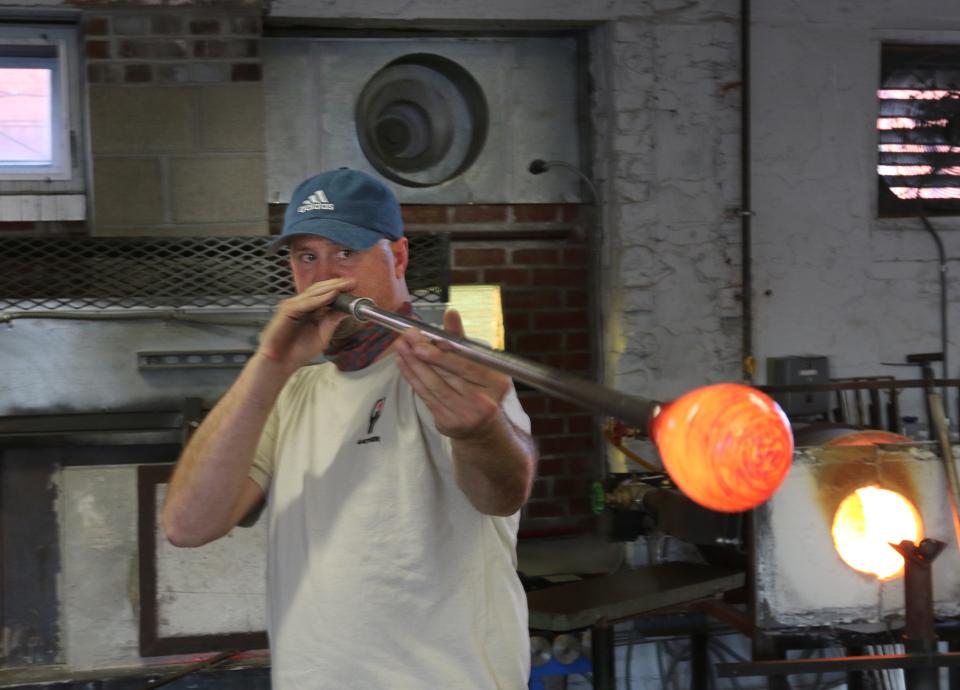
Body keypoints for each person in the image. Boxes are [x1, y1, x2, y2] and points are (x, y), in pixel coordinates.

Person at [161, 167, 538, 690]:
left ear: (398, 257)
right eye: (306, 256)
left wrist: (480, 432)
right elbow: (187, 525)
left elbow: (502, 493)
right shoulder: (290, 392)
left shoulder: (446, 371)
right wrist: (271, 361)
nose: (324, 279)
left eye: (346, 253)